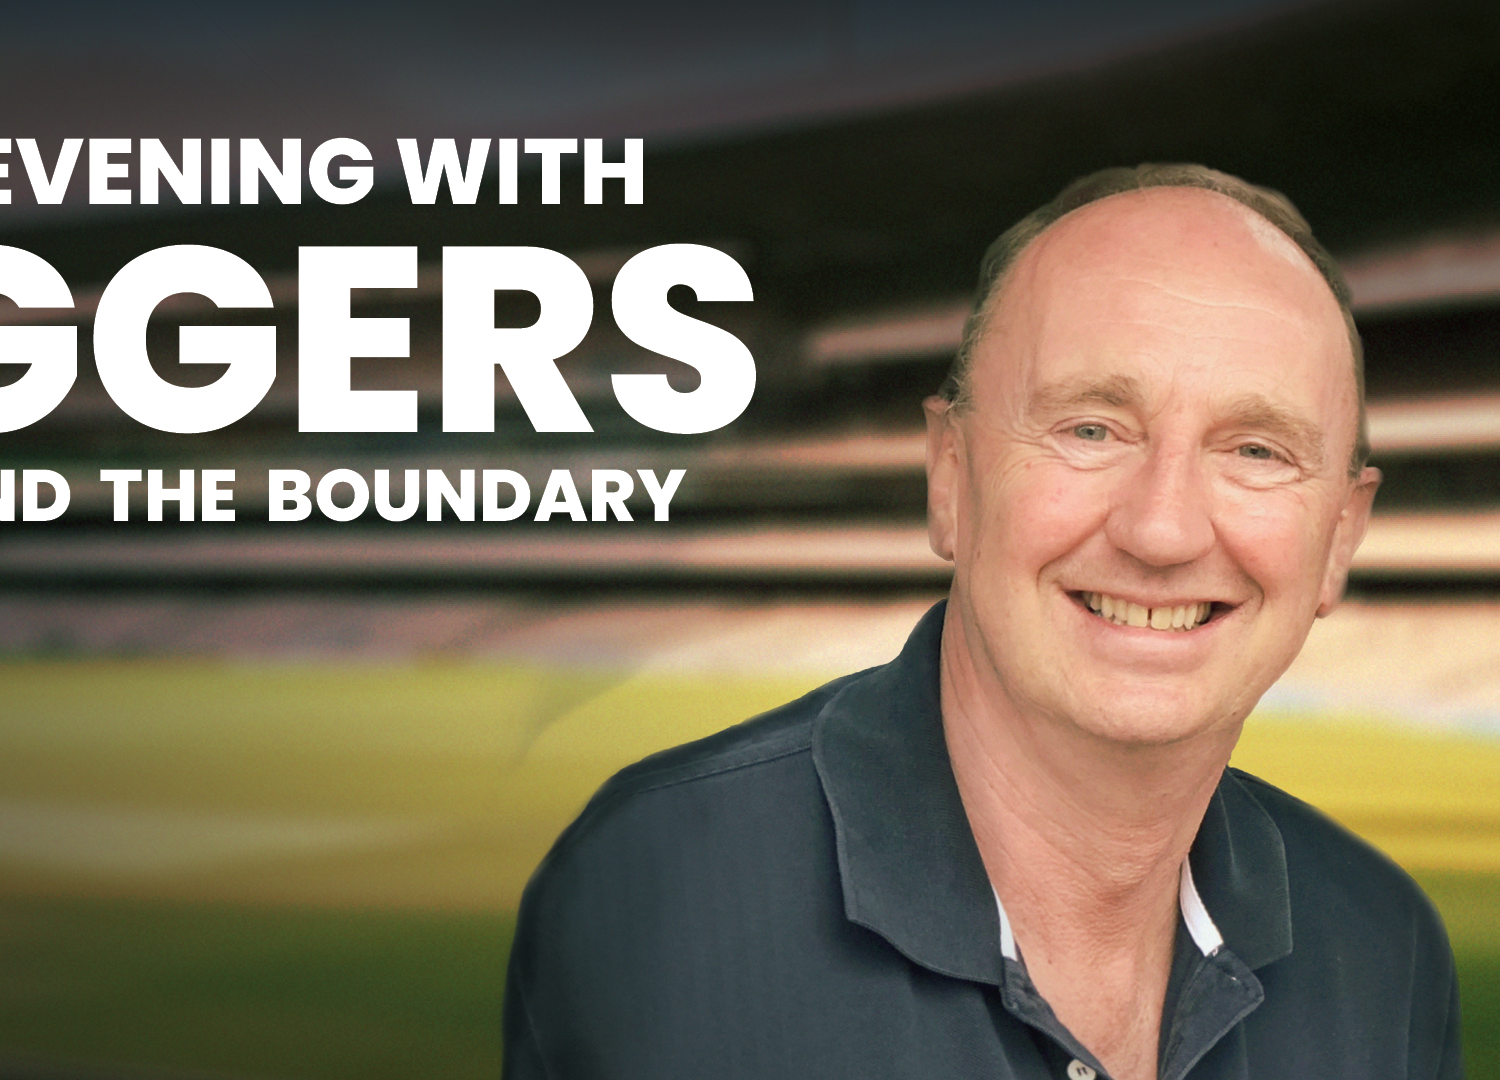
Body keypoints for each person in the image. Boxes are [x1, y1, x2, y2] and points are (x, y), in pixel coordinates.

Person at [503, 165, 1461, 1080]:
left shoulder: (1383, 947)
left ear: (1340, 537)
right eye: (1091, 429)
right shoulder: (664, 891)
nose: (1163, 528)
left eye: (1256, 450)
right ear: (950, 476)